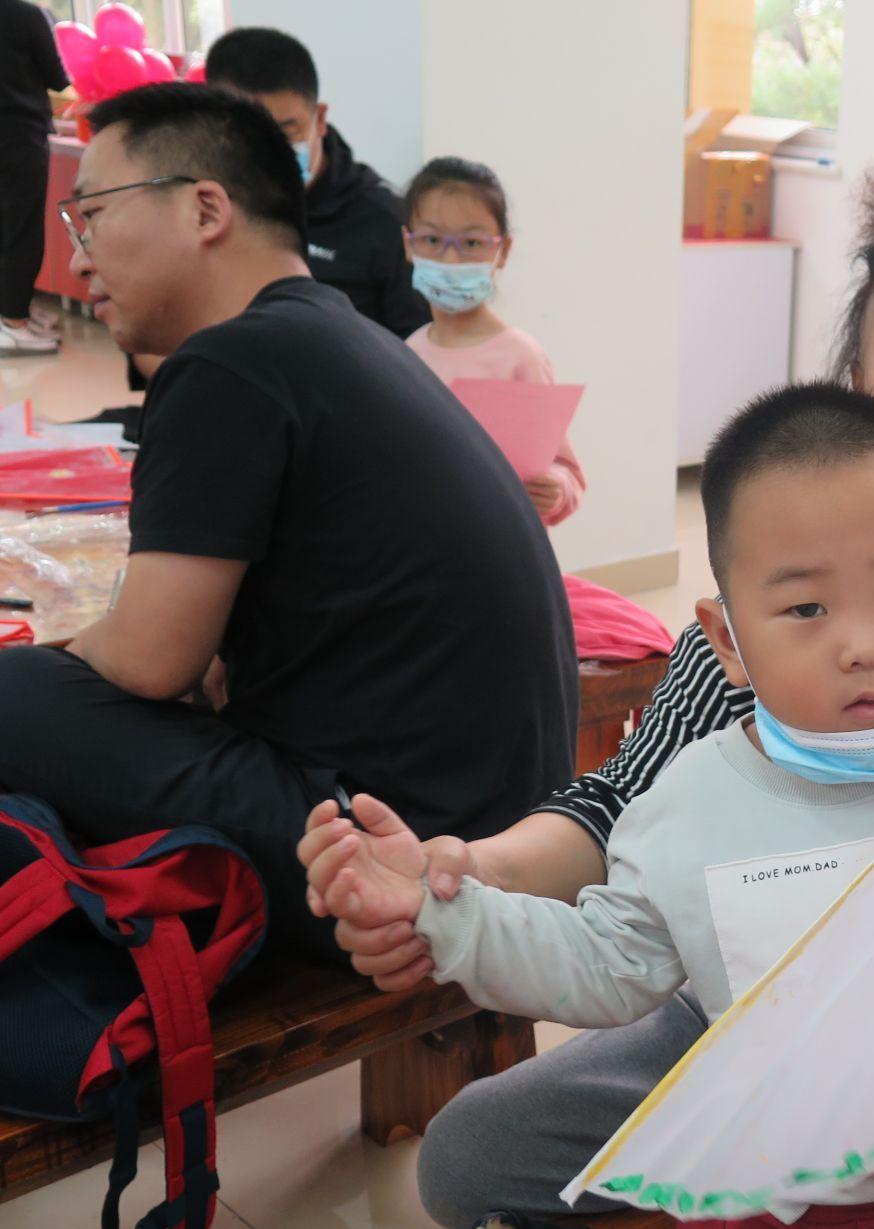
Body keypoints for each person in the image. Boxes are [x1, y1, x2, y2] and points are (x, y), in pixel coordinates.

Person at [340, 145, 874, 1229]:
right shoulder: (760, 607)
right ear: (856, 383)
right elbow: (624, 810)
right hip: (767, 1001)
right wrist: (465, 874)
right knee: (469, 1158)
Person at [302, 384, 874, 1229]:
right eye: (808, 609)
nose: (867, 643)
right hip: (773, 1220)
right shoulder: (699, 805)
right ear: (727, 643)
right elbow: (603, 959)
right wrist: (440, 911)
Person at [0, 83, 576, 963]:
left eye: (91, 218)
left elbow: (151, 661)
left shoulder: (228, 363)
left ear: (204, 208)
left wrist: (66, 661)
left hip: (395, 849)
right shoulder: (349, 338)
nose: (77, 261)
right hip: (505, 823)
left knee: (21, 691)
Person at [204, 27, 428, 338]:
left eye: (286, 131)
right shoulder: (203, 204)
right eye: (245, 135)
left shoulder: (387, 220)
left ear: (319, 119)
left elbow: (420, 353)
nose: (267, 152)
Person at [402, 157, 585, 525]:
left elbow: (566, 472)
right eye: (433, 240)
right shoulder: (409, 352)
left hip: (502, 546)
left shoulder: (520, 356)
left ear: (502, 250)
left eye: (471, 242)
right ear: (409, 244)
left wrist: (555, 488)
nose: (451, 258)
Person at [0, 0, 66, 355]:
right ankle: (13, 321)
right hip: (18, 133)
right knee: (22, 227)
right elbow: (58, 76)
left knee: (6, 226)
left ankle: (13, 312)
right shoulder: (25, 14)